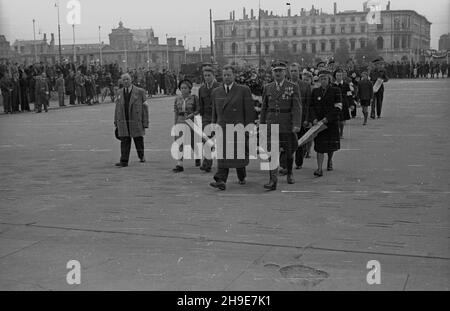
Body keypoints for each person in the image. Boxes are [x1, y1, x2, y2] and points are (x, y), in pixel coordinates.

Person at [209, 65, 255, 191]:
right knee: (223, 155)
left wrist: (249, 128)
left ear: (234, 76)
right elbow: (215, 112)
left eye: (229, 75)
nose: (226, 77)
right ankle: (221, 180)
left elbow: (249, 111)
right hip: (222, 128)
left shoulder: (243, 90)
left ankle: (241, 176)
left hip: (238, 128)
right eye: (224, 75)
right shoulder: (216, 92)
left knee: (238, 155)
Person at [260, 61, 302, 190]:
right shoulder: (268, 87)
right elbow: (264, 107)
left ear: (285, 72)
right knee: (272, 152)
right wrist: (262, 123)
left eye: (280, 71)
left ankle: (289, 173)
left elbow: (297, 107)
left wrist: (296, 124)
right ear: (272, 73)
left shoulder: (293, 87)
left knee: (289, 152)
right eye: (275, 71)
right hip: (271, 122)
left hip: (286, 124)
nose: (278, 73)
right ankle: (273, 180)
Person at [309, 69, 342, 177]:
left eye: (325, 79)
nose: (323, 81)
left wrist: (328, 118)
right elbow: (311, 107)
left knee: (330, 146)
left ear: (329, 79)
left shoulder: (335, 90)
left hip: (331, 123)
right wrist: (313, 119)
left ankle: (330, 160)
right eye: (321, 79)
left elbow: (338, 107)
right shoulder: (315, 91)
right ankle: (319, 169)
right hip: (319, 124)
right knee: (319, 146)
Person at [114, 73, 149, 167]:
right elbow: (117, 108)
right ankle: (124, 160)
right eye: (123, 80)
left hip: (135, 120)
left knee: (138, 140)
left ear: (131, 80)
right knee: (124, 140)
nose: (125, 81)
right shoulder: (119, 92)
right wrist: (116, 121)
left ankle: (141, 156)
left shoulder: (140, 91)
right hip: (123, 121)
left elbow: (145, 108)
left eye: (127, 79)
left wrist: (145, 122)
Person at [172, 79, 200, 172]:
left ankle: (197, 156)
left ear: (189, 89)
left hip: (190, 121)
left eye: (185, 88)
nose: (183, 90)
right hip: (180, 121)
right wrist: (175, 124)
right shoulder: (177, 99)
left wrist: (192, 114)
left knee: (192, 141)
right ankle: (179, 164)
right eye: (181, 88)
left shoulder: (194, 98)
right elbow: (176, 112)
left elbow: (198, 109)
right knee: (180, 142)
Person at [198, 66, 221, 172]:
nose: (207, 78)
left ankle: (223, 163)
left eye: (209, 75)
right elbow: (201, 105)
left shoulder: (219, 87)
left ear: (213, 76)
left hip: (218, 117)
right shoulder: (201, 89)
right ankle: (207, 163)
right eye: (205, 76)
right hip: (206, 118)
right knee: (206, 141)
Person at [333, 68, 352, 139]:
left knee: (342, 121)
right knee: (336, 120)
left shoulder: (346, 85)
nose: (339, 77)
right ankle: (337, 132)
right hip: (335, 104)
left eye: (340, 75)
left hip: (344, 104)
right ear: (335, 76)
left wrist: (351, 104)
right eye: (337, 75)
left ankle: (341, 132)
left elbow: (349, 95)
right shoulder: (332, 85)